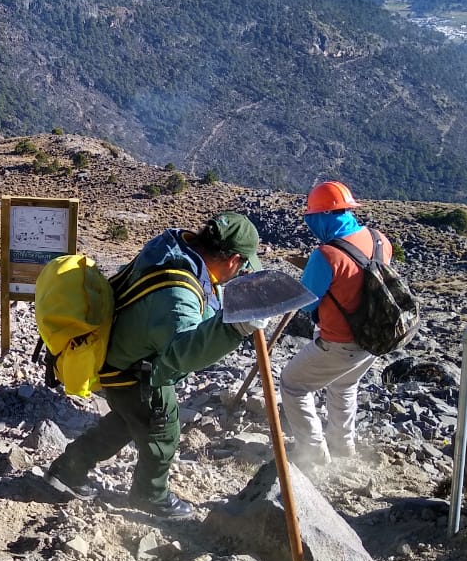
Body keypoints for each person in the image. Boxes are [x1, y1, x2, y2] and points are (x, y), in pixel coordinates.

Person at [44, 212, 269, 518]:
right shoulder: (179, 294)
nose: (240, 271)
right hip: (137, 369)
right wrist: (234, 329)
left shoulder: (175, 248)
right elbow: (183, 351)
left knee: (127, 421)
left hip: (118, 356)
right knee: (163, 427)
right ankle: (150, 495)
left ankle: (67, 471)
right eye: (243, 264)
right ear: (232, 260)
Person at [279, 180, 393, 468]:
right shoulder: (379, 240)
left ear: (324, 215)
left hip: (339, 342)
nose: (309, 223)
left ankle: (313, 453)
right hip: (374, 339)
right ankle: (343, 445)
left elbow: (306, 303)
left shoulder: (326, 255)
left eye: (311, 217)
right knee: (344, 385)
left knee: (293, 385)